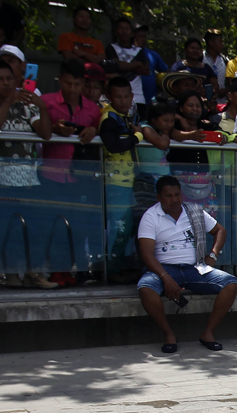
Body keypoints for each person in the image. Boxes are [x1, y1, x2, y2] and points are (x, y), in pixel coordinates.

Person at [0, 58, 56, 287]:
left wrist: (41, 106)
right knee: (7, 232)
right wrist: (8, 102)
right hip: (1, 181)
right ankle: (10, 275)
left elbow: (46, 135)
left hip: (30, 180)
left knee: (34, 231)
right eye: (0, 79)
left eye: (10, 78)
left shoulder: (27, 105)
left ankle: (32, 273)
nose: (7, 83)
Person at [136, 175, 237, 353]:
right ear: (159, 197)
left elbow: (220, 230)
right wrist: (165, 277)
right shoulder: (151, 216)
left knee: (230, 283)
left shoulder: (194, 210)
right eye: (168, 196)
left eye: (177, 195)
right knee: (145, 288)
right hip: (164, 269)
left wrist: (213, 255)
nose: (174, 200)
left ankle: (208, 334)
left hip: (195, 267)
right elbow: (146, 253)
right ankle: (169, 335)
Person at [41, 59, 102, 284]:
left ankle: (73, 269)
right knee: (54, 225)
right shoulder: (46, 102)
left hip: (78, 177)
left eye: (77, 84)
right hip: (50, 173)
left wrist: (93, 130)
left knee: (77, 225)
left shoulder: (92, 109)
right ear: (60, 81)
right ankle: (55, 270)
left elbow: (97, 132)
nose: (72, 89)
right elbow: (40, 130)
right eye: (68, 83)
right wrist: (54, 128)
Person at [99, 75, 141, 278]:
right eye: (118, 97)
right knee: (119, 227)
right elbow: (113, 145)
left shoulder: (128, 116)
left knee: (127, 228)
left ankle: (122, 265)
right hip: (115, 182)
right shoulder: (108, 118)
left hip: (129, 181)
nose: (123, 101)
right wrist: (137, 137)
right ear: (109, 97)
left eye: (127, 96)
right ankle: (112, 269)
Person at [105, 17, 148, 105]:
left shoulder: (139, 50)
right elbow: (115, 66)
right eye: (121, 28)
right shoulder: (111, 48)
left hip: (138, 97)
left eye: (127, 29)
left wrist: (123, 66)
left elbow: (146, 70)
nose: (124, 31)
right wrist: (136, 64)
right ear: (116, 32)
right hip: (118, 98)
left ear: (132, 33)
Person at [171, 37, 220, 102]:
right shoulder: (178, 66)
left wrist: (208, 92)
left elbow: (215, 85)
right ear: (186, 50)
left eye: (198, 49)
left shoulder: (206, 68)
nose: (195, 51)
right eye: (192, 48)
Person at [132, 26, 169, 104]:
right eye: (140, 36)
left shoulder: (152, 54)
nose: (143, 39)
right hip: (132, 98)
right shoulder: (127, 54)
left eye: (144, 36)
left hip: (150, 99)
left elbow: (166, 72)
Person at [203, 31, 228, 103]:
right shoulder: (200, 58)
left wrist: (226, 90)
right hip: (204, 102)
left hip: (221, 103)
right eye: (220, 42)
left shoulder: (224, 60)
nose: (222, 45)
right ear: (211, 42)